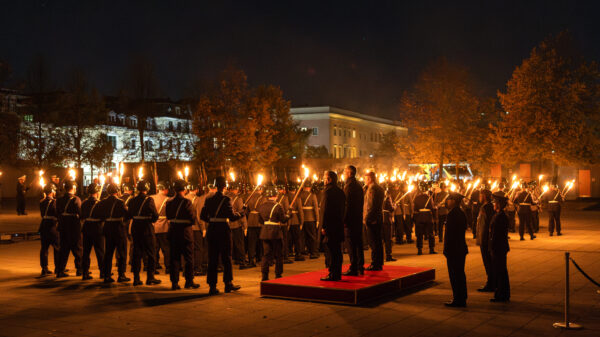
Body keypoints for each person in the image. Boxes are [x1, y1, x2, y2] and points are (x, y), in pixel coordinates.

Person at [200, 176, 244, 295]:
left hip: (212, 229)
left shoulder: (208, 199)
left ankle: (212, 286)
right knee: (226, 258)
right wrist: (241, 213)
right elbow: (232, 217)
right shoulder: (226, 199)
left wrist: (212, 220)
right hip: (223, 230)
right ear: (224, 186)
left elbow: (202, 216)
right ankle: (228, 284)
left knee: (212, 258)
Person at [166, 179, 198, 290]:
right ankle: (189, 281)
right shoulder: (187, 202)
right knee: (188, 258)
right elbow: (192, 218)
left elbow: (169, 217)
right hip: (185, 233)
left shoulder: (169, 202)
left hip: (173, 232)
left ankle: (174, 283)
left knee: (174, 258)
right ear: (184, 189)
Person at [128, 180, 161, 286]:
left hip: (135, 226)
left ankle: (136, 278)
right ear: (147, 189)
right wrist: (151, 220)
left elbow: (129, 214)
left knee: (137, 253)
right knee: (151, 253)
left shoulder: (132, 200)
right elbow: (155, 214)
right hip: (146, 227)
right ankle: (150, 277)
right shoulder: (149, 199)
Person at [98, 183, 131, 283]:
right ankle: (121, 275)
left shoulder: (103, 202)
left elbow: (100, 215)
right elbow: (128, 214)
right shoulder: (120, 202)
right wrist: (124, 222)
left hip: (108, 227)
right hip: (118, 228)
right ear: (117, 191)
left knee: (108, 253)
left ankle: (107, 275)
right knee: (122, 252)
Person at [256, 184, 289, 281]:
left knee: (266, 255)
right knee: (279, 255)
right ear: (275, 195)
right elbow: (283, 220)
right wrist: (289, 215)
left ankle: (264, 276)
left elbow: (260, 221)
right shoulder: (278, 206)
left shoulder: (261, 206)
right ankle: (278, 274)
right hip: (275, 233)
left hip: (265, 232)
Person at [443, 191, 468, 307]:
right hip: (460, 248)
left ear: (453, 201)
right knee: (460, 274)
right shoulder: (460, 212)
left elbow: (450, 235)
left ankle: (458, 298)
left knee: (455, 275)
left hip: (454, 249)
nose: (446, 201)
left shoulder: (452, 214)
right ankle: (461, 297)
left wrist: (446, 249)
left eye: (448, 199)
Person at [320, 171, 346, 281]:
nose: (323, 180)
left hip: (330, 226)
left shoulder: (328, 192)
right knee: (337, 251)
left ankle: (332, 274)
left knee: (330, 251)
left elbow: (325, 210)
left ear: (329, 179)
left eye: (325, 178)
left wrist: (324, 226)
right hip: (338, 225)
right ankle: (337, 273)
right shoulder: (341, 192)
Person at [55, 180, 82, 277]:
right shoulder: (76, 199)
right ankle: (79, 269)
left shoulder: (59, 199)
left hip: (63, 226)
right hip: (73, 226)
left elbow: (57, 212)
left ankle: (60, 270)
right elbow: (80, 211)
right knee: (77, 248)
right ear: (73, 188)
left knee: (63, 249)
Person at [343, 165, 364, 276]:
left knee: (351, 244)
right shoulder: (359, 186)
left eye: (345, 172)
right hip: (358, 219)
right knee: (358, 243)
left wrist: (344, 220)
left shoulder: (349, 186)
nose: (344, 174)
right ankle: (360, 266)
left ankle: (353, 267)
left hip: (350, 220)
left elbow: (347, 205)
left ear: (349, 173)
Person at [489, 191, 511, 302]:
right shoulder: (498, 215)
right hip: (499, 247)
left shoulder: (501, 216)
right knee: (499, 271)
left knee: (500, 271)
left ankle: (502, 294)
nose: (493, 204)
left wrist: (492, 247)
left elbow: (497, 234)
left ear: (499, 204)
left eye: (495, 202)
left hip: (499, 247)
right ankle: (500, 293)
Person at [80, 183, 104, 280]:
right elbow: (103, 217)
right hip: (97, 228)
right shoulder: (99, 203)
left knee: (86, 252)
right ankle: (103, 272)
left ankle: (85, 272)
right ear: (97, 192)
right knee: (100, 251)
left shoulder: (84, 203)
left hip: (86, 228)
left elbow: (81, 216)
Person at [363, 171, 385, 270]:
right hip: (378, 217)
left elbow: (371, 206)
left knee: (373, 242)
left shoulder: (372, 189)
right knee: (378, 241)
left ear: (370, 179)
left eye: (365, 178)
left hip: (372, 219)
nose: (364, 181)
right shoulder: (379, 188)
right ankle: (379, 262)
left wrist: (367, 218)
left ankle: (375, 263)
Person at [476, 189, 495, 292]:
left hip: (485, 239)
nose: (479, 197)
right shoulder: (489, 207)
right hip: (486, 238)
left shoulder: (486, 207)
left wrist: (482, 239)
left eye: (480, 195)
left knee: (488, 262)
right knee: (489, 262)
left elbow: (484, 225)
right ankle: (492, 282)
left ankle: (491, 283)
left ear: (484, 196)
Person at [38, 183, 60, 277]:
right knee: (57, 247)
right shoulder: (55, 202)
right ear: (52, 191)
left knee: (44, 248)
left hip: (43, 226)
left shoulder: (42, 202)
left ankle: (44, 268)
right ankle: (58, 267)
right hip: (52, 226)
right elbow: (56, 213)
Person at [226, 182, 248, 269]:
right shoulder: (238, 199)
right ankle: (241, 261)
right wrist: (245, 225)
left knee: (229, 244)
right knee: (239, 243)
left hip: (227, 224)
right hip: (236, 224)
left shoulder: (225, 198)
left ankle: (233, 259)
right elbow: (241, 213)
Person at [152, 182, 171, 273]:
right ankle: (168, 267)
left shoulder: (151, 198)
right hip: (164, 227)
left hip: (154, 226)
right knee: (166, 248)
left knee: (154, 248)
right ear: (164, 189)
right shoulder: (168, 199)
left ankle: (154, 267)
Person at [413, 182, 436, 255]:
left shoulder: (417, 197)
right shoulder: (429, 197)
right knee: (430, 234)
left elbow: (415, 209)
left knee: (419, 235)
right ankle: (431, 249)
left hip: (420, 217)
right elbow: (432, 207)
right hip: (428, 217)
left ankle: (419, 250)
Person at [299, 182, 320, 259]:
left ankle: (302, 250)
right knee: (312, 236)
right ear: (310, 188)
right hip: (311, 218)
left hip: (302, 218)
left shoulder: (299, 195)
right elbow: (315, 208)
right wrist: (317, 219)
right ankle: (313, 252)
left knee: (302, 236)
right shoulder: (312, 195)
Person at [245, 185, 264, 267]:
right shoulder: (263, 198)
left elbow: (246, 211)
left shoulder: (250, 198)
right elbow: (263, 210)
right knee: (260, 242)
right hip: (259, 222)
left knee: (251, 242)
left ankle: (251, 259)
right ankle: (260, 258)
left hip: (251, 221)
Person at [275, 182, 294, 265]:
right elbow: (286, 210)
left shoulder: (274, 197)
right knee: (284, 240)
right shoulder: (284, 198)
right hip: (283, 223)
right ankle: (284, 256)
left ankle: (277, 256)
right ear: (282, 190)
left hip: (275, 223)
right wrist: (288, 222)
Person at [286, 183, 305, 261]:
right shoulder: (297, 198)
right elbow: (300, 211)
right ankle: (298, 254)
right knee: (297, 239)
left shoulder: (285, 197)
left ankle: (288, 252)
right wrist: (301, 222)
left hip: (286, 220)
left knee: (288, 238)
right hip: (295, 220)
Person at [382, 184, 396, 262]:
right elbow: (391, 208)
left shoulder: (378, 197)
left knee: (381, 239)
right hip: (387, 219)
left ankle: (380, 256)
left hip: (380, 219)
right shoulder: (388, 198)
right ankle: (388, 256)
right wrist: (394, 206)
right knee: (388, 239)